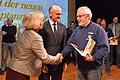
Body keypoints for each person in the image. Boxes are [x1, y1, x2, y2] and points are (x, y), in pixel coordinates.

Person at [5, 12, 63, 80]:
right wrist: (57, 58)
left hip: (13, 69)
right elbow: (45, 58)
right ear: (35, 22)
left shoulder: (25, 32)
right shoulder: (35, 37)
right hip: (20, 73)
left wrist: (42, 65)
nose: (43, 22)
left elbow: (28, 52)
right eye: (42, 20)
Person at [61, 6, 109, 80]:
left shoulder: (98, 29)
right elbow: (69, 45)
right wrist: (62, 54)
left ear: (88, 17)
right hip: (80, 66)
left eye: (80, 16)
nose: (77, 19)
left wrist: (93, 57)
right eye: (77, 16)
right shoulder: (76, 30)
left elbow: (105, 49)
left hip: (94, 68)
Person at [38, 5, 67, 80]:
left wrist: (65, 62)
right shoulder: (42, 26)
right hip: (46, 63)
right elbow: (40, 46)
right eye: (57, 14)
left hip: (59, 63)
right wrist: (41, 63)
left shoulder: (63, 27)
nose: (60, 16)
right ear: (50, 14)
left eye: (60, 14)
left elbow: (64, 45)